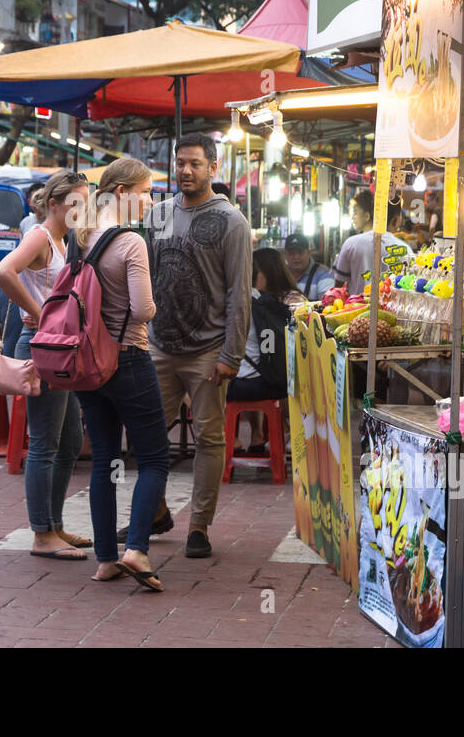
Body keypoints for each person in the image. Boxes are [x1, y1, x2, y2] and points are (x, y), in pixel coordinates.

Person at [121, 134, 252, 560]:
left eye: (195, 163)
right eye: (180, 163)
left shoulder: (231, 221)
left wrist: (231, 354)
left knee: (209, 440)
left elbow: (239, 293)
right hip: (158, 344)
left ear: (213, 168)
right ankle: (155, 512)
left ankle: (199, 526)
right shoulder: (158, 214)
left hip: (207, 351)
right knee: (144, 435)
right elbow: (147, 277)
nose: (186, 171)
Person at [74, 158, 170, 591]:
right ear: (124, 191)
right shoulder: (131, 242)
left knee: (105, 461)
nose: (150, 201)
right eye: (147, 191)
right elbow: (144, 308)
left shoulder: (83, 236)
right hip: (129, 356)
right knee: (153, 458)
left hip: (90, 364)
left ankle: (106, 560)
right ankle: (136, 547)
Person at [0, 170, 92, 561]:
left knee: (68, 441)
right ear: (53, 204)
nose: (80, 210)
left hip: (58, 349)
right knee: (44, 444)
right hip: (42, 348)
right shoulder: (39, 236)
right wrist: (36, 311)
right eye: (75, 203)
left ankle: (54, 525)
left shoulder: (62, 240)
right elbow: (3, 272)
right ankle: (41, 534)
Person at [230, 248, 302, 453]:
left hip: (275, 379)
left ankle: (224, 440)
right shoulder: (282, 300)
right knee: (249, 367)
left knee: (204, 381)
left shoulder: (252, 302)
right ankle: (257, 436)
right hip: (277, 378)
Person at [332, 192, 416, 293]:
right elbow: (411, 286)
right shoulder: (406, 250)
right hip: (390, 308)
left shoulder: (351, 244)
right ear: (396, 220)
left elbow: (337, 288)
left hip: (356, 307)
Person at [284, 232, 335, 301]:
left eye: (300, 252)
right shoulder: (280, 274)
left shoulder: (324, 274)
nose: (296, 257)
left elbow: (328, 304)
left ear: (309, 253)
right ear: (285, 255)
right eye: (292, 253)